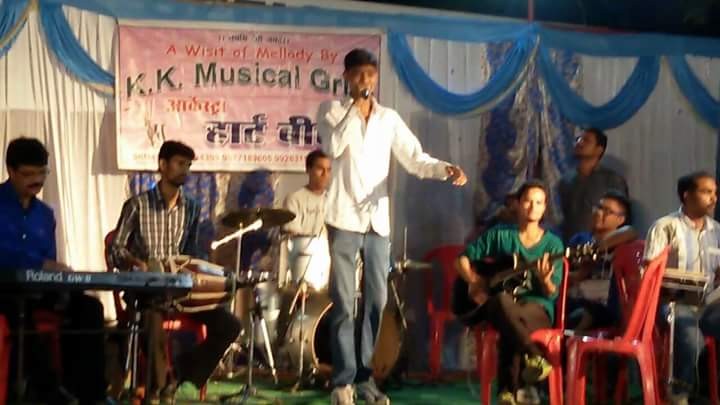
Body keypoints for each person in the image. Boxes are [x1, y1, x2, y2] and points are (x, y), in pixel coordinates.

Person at [317, 48, 467, 405]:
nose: (365, 80)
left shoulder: (389, 119)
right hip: (343, 218)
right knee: (344, 303)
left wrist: (443, 169)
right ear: (346, 77)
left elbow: (415, 159)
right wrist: (354, 109)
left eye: (370, 74)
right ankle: (342, 381)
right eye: (358, 74)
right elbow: (332, 147)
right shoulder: (332, 110)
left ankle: (365, 378)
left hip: (377, 222)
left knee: (377, 302)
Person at [108, 140, 241, 403]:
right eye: (180, 164)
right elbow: (116, 249)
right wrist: (137, 263)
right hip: (148, 291)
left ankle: (180, 373)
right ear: (162, 165)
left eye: (188, 165)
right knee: (151, 320)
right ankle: (159, 389)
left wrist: (202, 275)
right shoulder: (137, 205)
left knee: (230, 325)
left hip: (181, 293)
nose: (185, 170)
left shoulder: (191, 207)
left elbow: (190, 252)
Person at [0, 137, 108, 404]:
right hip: (4, 290)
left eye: (42, 173)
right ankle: (47, 391)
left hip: (37, 289)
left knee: (89, 308)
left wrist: (61, 280)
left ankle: (90, 393)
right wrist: (38, 264)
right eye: (29, 174)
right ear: (11, 170)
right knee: (19, 313)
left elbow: (50, 261)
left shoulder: (45, 214)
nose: (37, 180)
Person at [455, 180, 563, 405]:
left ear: (545, 208)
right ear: (517, 204)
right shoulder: (501, 235)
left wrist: (545, 280)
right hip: (505, 305)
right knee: (503, 303)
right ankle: (534, 356)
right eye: (528, 201)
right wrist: (474, 281)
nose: (532, 207)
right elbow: (461, 260)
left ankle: (506, 392)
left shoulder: (553, 245)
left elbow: (552, 293)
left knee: (509, 321)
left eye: (539, 202)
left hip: (538, 308)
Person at [644, 171, 720, 405]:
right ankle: (679, 392)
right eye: (706, 192)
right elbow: (649, 274)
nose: (713, 198)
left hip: (708, 304)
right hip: (672, 303)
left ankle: (709, 391)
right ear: (686, 195)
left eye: (715, 193)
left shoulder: (717, 231)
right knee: (690, 337)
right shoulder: (665, 227)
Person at [565, 190, 633, 331]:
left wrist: (596, 249)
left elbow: (631, 231)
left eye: (607, 211)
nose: (599, 213)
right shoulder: (580, 239)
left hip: (603, 306)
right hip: (575, 300)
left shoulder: (622, 242)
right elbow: (564, 273)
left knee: (590, 313)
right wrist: (580, 273)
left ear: (620, 220)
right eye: (598, 207)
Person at [558, 128, 629, 242]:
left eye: (586, 140)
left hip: (603, 244)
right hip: (571, 243)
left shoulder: (612, 180)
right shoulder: (566, 180)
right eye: (579, 139)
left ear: (599, 150)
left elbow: (622, 217)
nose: (580, 143)